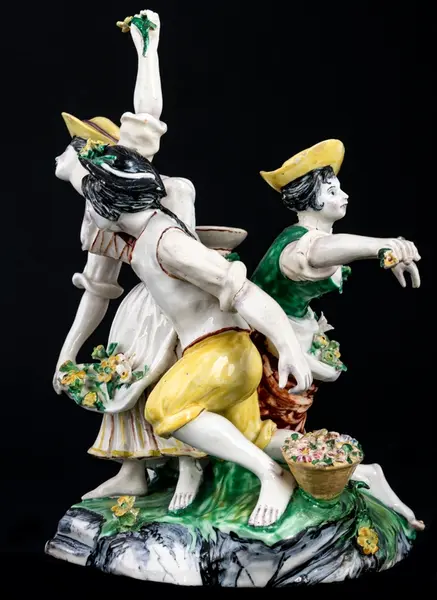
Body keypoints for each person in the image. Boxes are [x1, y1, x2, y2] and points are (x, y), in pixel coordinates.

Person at [54, 10, 313, 527]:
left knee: (166, 406)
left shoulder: (163, 235)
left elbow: (146, 113)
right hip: (191, 326)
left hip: (208, 335)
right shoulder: (129, 226)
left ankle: (244, 473)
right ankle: (334, 468)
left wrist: (147, 49)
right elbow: (97, 286)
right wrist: (67, 353)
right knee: (229, 421)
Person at [250, 138, 424, 530]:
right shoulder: (296, 246)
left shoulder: (314, 241)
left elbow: (332, 250)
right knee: (261, 431)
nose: (343, 195)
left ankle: (349, 475)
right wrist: (383, 246)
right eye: (332, 190)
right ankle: (347, 474)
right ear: (309, 199)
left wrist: (382, 253)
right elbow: (320, 252)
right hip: (265, 346)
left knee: (277, 429)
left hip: (295, 339)